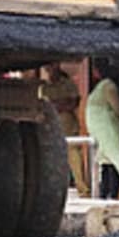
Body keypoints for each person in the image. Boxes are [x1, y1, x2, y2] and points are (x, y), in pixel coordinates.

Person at [85, 58, 119, 200]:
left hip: (108, 129)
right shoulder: (103, 86)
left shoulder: (107, 86)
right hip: (101, 130)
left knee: (116, 156)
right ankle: (107, 193)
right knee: (106, 160)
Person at [41, 64, 88, 198]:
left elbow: (73, 102)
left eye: (51, 68)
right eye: (47, 69)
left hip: (67, 123)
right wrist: (59, 104)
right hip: (50, 124)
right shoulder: (44, 87)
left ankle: (82, 188)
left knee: (73, 153)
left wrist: (57, 105)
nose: (49, 71)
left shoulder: (68, 84)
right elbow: (44, 105)